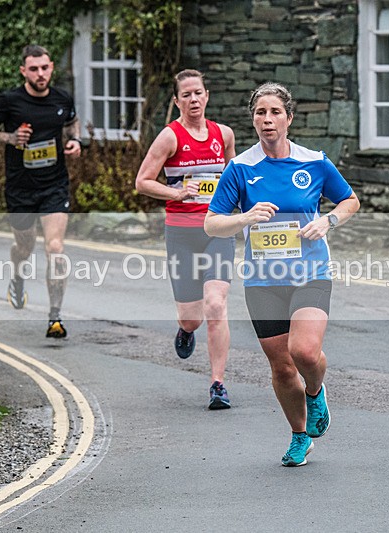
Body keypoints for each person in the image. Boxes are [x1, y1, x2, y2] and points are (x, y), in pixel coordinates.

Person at [204, 82, 360, 465]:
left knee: (303, 351)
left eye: (275, 112)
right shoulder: (240, 168)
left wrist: (327, 221)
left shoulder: (314, 161)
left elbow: (350, 200)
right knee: (282, 366)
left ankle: (316, 391)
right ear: (253, 119)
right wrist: (244, 218)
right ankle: (299, 435)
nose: (267, 119)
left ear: (289, 118)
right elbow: (212, 223)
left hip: (310, 271)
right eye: (260, 113)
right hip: (263, 281)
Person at [135, 69, 237, 410]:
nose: (193, 100)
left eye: (198, 93)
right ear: (177, 101)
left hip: (217, 230)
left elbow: (234, 178)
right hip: (181, 233)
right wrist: (175, 193)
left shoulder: (224, 135)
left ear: (207, 96)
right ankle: (186, 329)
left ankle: (218, 384)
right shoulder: (170, 137)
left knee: (216, 305)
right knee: (192, 318)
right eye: (186, 95)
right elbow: (143, 181)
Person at [0, 44, 82, 338]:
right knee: (25, 247)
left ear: (52, 68)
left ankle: (54, 317)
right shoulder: (9, 101)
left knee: (55, 248)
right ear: (24, 71)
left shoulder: (62, 98)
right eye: (33, 69)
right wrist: (10, 137)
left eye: (45, 68)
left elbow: (72, 123)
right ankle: (17, 275)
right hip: (20, 189)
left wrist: (75, 141)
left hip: (54, 185)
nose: (40, 74)